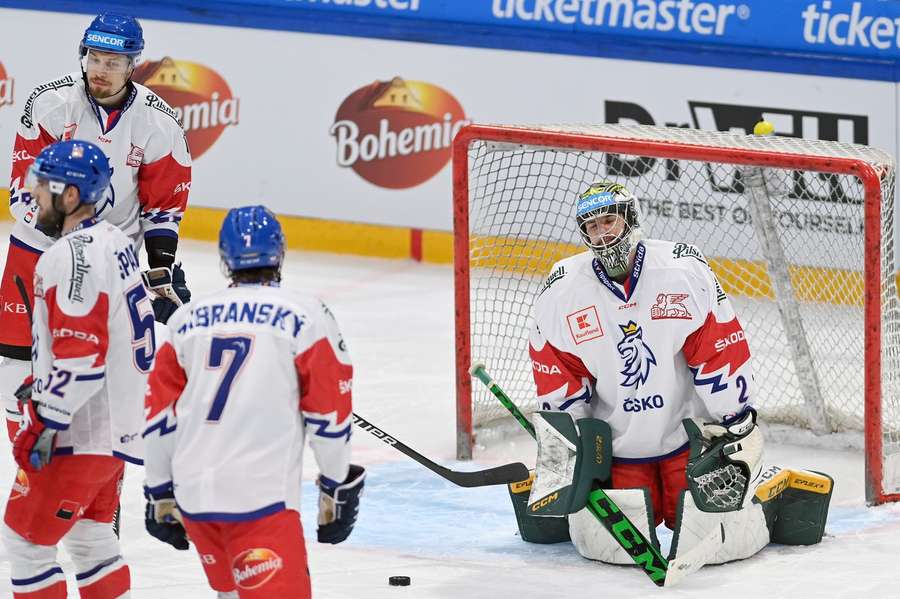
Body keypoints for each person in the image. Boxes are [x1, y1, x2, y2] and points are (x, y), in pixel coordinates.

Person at [143, 205, 365, 598]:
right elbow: (328, 415)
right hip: (260, 500)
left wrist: (160, 491)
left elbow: (160, 416)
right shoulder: (307, 314)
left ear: (225, 259)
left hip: (196, 497)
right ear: (279, 253)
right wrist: (334, 486)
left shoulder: (185, 320)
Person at [528, 180, 759, 545]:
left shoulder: (681, 271)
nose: (601, 234)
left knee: (713, 539)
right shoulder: (563, 291)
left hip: (687, 440)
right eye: (591, 226)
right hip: (617, 449)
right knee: (609, 550)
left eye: (608, 221)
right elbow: (558, 370)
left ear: (630, 218)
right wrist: (566, 440)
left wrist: (735, 420)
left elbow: (717, 351)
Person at [2, 12, 192, 442]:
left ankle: (96, 492)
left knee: (96, 373)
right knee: (14, 368)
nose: (100, 70)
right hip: (35, 250)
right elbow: (22, 193)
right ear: (83, 55)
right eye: (95, 57)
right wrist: (85, 245)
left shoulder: (158, 122)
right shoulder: (50, 102)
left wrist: (160, 267)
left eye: (112, 61)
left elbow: (163, 208)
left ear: (132, 65)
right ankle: (27, 463)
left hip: (110, 261)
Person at [2, 140, 154, 598]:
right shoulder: (116, 242)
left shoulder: (68, 257)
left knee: (25, 544)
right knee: (90, 539)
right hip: (118, 433)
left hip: (78, 433)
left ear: (70, 196)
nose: (34, 198)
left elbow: (82, 359)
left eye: (43, 188)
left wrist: (46, 421)